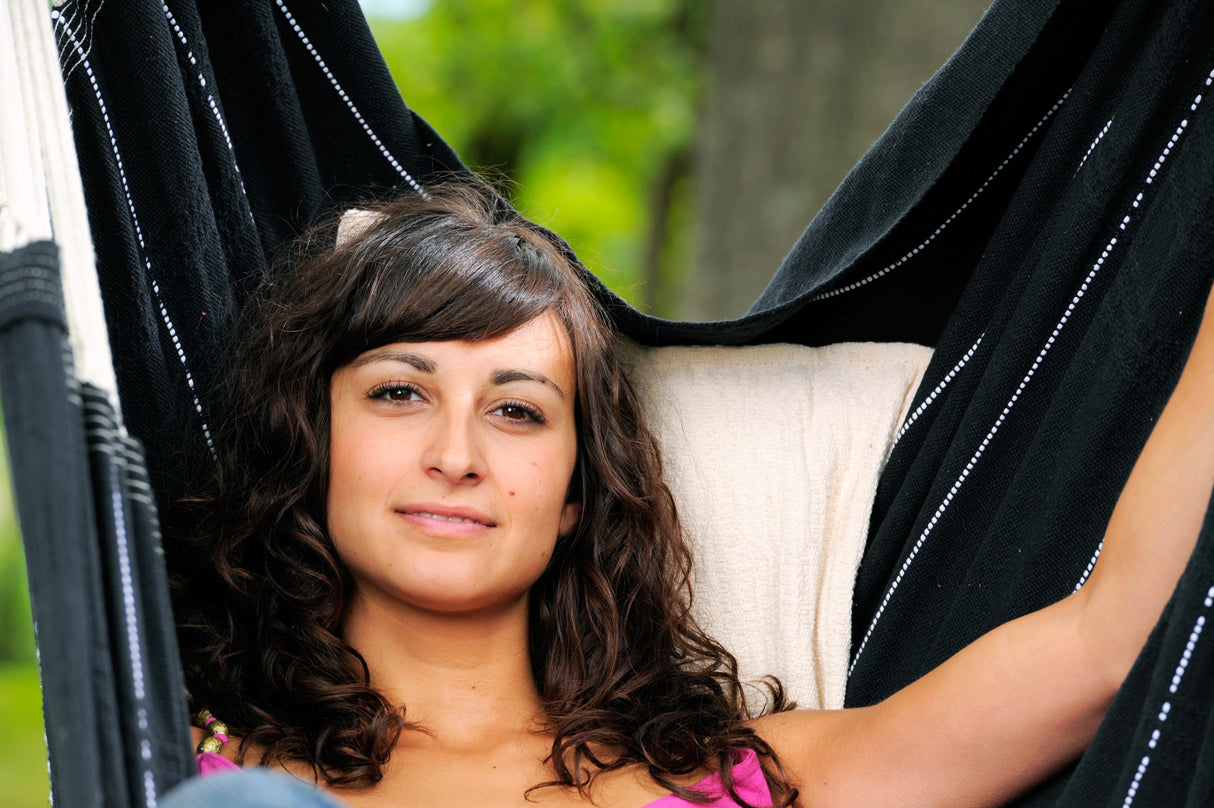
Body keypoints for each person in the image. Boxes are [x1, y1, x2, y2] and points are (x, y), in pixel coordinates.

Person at [166, 181, 1214, 808]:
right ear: (314, 443)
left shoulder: (739, 779)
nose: (456, 453)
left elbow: (1105, 643)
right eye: (400, 392)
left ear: (574, 491)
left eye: (518, 410)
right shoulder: (193, 751)